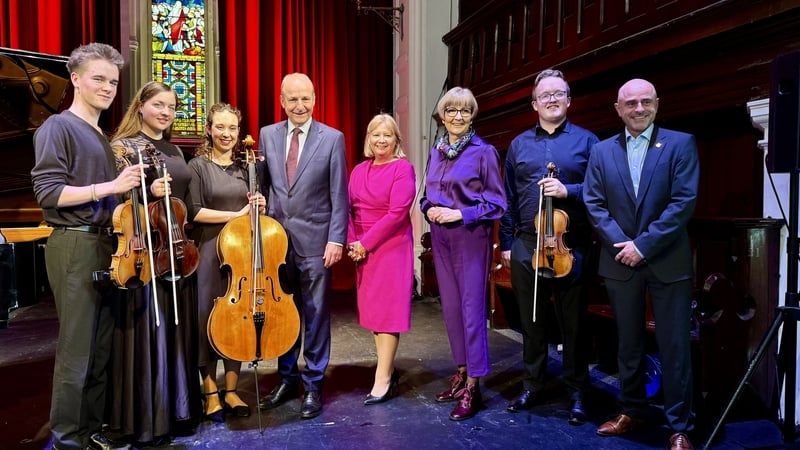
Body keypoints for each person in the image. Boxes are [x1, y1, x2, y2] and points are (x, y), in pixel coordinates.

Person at [30, 42, 136, 450]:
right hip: (74, 245)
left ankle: (90, 431)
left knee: (100, 348)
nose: (108, 87)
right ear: (75, 79)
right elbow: (49, 194)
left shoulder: (99, 133)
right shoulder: (58, 127)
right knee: (76, 352)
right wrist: (111, 185)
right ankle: (65, 441)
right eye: (99, 79)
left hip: (104, 247)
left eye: (112, 81)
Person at [583, 78, 699, 450]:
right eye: (630, 103)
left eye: (645, 101)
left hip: (667, 259)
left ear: (657, 104)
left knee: (674, 346)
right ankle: (632, 410)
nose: (638, 108)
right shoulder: (601, 152)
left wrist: (643, 246)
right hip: (619, 261)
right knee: (628, 344)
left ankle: (680, 425)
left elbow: (683, 202)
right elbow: (593, 202)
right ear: (618, 109)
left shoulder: (680, 144)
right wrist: (624, 245)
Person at [498, 69, 598, 425]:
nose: (552, 99)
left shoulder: (588, 142)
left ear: (568, 100)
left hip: (572, 246)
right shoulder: (519, 145)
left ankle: (577, 392)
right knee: (532, 321)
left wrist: (568, 190)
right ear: (534, 104)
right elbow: (508, 197)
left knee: (574, 325)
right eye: (545, 95)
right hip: (527, 242)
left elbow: (602, 192)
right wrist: (507, 243)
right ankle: (533, 383)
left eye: (559, 93)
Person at [105, 81, 200, 444]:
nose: (165, 112)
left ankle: (180, 411)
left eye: (172, 107)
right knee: (153, 335)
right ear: (140, 106)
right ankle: (151, 419)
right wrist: (147, 194)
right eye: (158, 104)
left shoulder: (174, 147)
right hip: (145, 250)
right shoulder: (122, 148)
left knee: (177, 332)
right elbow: (116, 202)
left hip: (176, 250)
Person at [257, 73, 348, 420]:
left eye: (305, 99)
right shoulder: (267, 135)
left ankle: (313, 384)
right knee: (283, 314)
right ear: (282, 101)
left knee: (315, 315)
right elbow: (264, 189)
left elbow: (339, 194)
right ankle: (286, 378)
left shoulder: (332, 138)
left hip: (316, 241)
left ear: (315, 98)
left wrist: (336, 238)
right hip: (277, 243)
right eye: (292, 100)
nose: (300, 106)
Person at [420, 86, 506, 421]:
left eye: (464, 111)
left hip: (471, 237)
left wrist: (461, 213)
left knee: (472, 311)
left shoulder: (483, 152)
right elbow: (427, 195)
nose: (457, 117)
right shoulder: (437, 152)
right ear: (442, 116)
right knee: (452, 310)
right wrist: (429, 209)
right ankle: (460, 371)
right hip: (441, 237)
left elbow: (497, 204)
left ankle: (474, 385)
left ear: (472, 115)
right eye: (451, 111)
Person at [187, 102, 264, 423]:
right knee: (208, 319)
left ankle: (231, 390)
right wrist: (235, 216)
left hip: (241, 255)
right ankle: (209, 393)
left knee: (237, 318)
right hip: (208, 253)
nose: (227, 134)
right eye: (220, 127)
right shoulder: (198, 166)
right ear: (209, 129)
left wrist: (260, 202)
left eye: (232, 128)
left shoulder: (246, 166)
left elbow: (256, 210)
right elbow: (194, 211)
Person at [346, 114, 416, 405]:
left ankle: (383, 378)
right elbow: (348, 208)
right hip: (362, 249)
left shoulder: (403, 169)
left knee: (388, 316)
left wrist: (365, 243)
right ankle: (386, 368)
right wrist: (353, 242)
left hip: (390, 247)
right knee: (375, 314)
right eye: (376, 134)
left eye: (387, 135)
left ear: (396, 140)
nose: (381, 140)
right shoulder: (359, 170)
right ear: (368, 139)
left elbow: (397, 214)